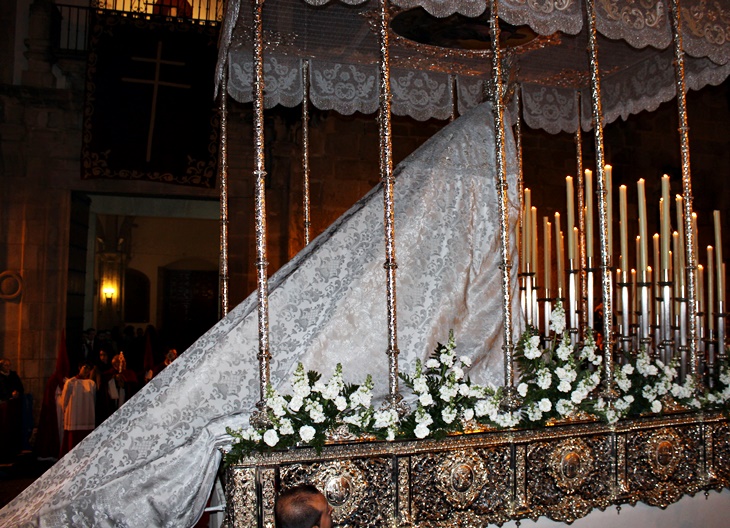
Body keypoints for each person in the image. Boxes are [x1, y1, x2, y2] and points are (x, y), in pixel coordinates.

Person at [60, 362, 96, 457]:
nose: (86, 371)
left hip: (87, 418)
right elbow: (64, 400)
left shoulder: (91, 383)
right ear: (79, 368)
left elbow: (94, 399)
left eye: (89, 369)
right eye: (85, 368)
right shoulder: (71, 382)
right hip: (74, 418)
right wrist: (65, 411)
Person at [0, 359, 25, 462]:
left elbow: (20, 387)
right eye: (5, 366)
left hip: (14, 405)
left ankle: (14, 450)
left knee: (14, 426)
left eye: (9, 365)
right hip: (4, 405)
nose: (8, 367)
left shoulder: (13, 375)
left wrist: (17, 392)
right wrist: (9, 395)